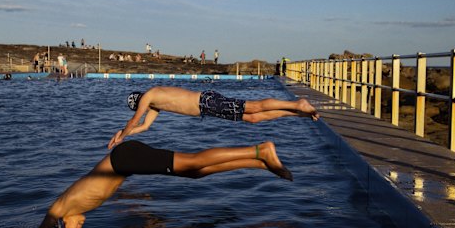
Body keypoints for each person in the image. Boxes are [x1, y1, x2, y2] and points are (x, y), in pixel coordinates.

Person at [37, 140, 292, 228]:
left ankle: (260, 151)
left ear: (60, 222)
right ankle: (259, 163)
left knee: (192, 162)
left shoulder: (58, 209)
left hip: (126, 159)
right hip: (127, 164)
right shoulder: (71, 211)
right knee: (195, 173)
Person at [108, 87, 319, 149]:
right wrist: (121, 134)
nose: (141, 108)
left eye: (139, 106)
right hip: (206, 109)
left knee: (253, 107)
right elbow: (143, 127)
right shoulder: (154, 105)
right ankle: (297, 112)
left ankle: (295, 104)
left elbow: (134, 121)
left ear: (138, 100)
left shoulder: (150, 95)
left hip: (206, 101)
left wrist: (123, 135)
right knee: (252, 119)